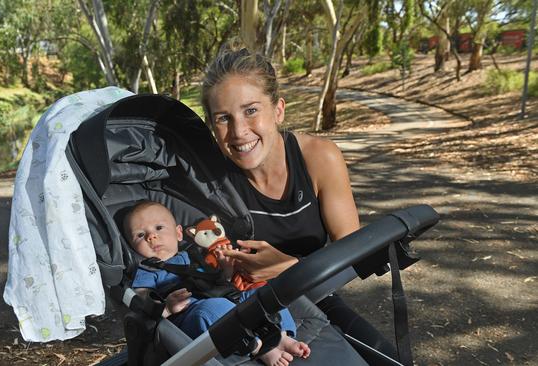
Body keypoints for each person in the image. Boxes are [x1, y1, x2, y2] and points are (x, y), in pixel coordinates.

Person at [201, 48, 397, 358]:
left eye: (251, 110)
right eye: (224, 118)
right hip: (244, 308)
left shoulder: (319, 158)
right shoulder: (210, 182)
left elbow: (354, 257)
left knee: (389, 359)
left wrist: (288, 269)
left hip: (315, 298)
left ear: (278, 110)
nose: (239, 132)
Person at [124, 200, 311, 366]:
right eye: (140, 235)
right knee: (213, 308)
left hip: (224, 297)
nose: (151, 237)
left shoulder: (195, 255)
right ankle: (259, 349)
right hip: (188, 318)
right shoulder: (147, 270)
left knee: (262, 293)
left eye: (158, 228)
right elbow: (142, 304)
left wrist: (226, 270)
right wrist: (167, 308)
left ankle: (281, 336)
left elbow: (222, 283)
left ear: (179, 233)